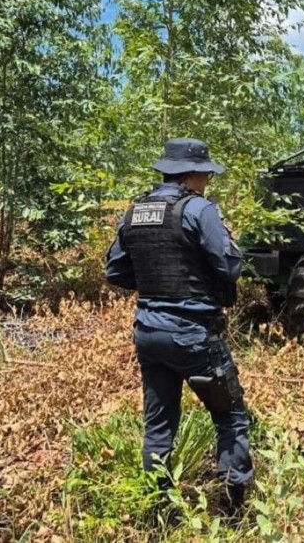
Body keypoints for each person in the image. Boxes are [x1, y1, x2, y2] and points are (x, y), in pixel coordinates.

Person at [105, 137, 253, 514]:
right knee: (231, 417)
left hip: (148, 332)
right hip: (192, 334)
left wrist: (158, 289)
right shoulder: (199, 210)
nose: (208, 182)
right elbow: (231, 268)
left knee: (158, 426)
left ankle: (155, 514)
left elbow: (116, 271)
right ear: (192, 175)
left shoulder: (135, 211)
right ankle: (233, 514)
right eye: (206, 175)